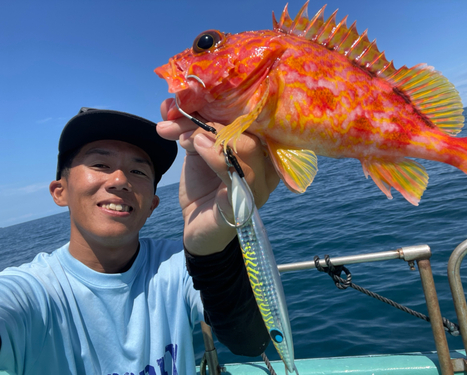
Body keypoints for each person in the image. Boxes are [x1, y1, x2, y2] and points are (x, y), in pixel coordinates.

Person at [0, 105, 279, 374]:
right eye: (100, 164)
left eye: (138, 171)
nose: (120, 180)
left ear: (152, 205)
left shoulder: (180, 264)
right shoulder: (28, 292)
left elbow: (250, 341)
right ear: (59, 191)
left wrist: (213, 247)